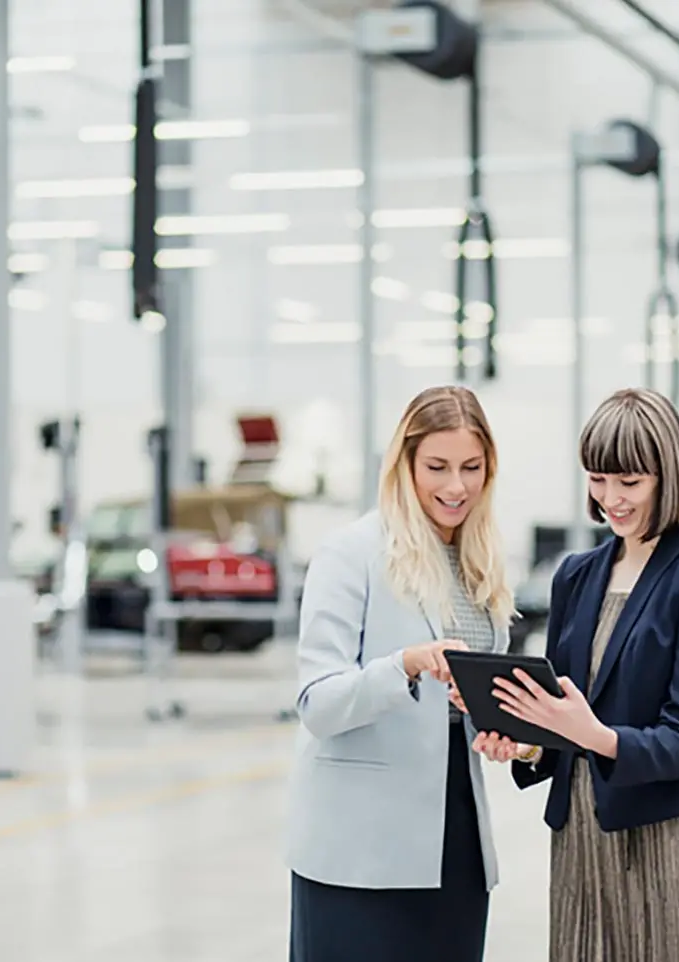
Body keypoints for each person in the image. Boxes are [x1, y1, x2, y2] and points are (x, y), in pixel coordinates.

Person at [473, 387, 679, 962]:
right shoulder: (576, 575)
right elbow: (562, 717)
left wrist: (592, 733)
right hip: (579, 836)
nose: (611, 499)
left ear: (668, 477)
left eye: (630, 482)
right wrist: (528, 742)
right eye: (598, 479)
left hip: (666, 837)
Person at [286, 384, 515, 962]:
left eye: (471, 468)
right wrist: (404, 666)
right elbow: (318, 704)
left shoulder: (480, 561)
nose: (456, 486)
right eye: (437, 467)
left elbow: (478, 693)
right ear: (405, 464)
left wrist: (508, 727)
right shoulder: (351, 553)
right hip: (360, 848)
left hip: (455, 834)